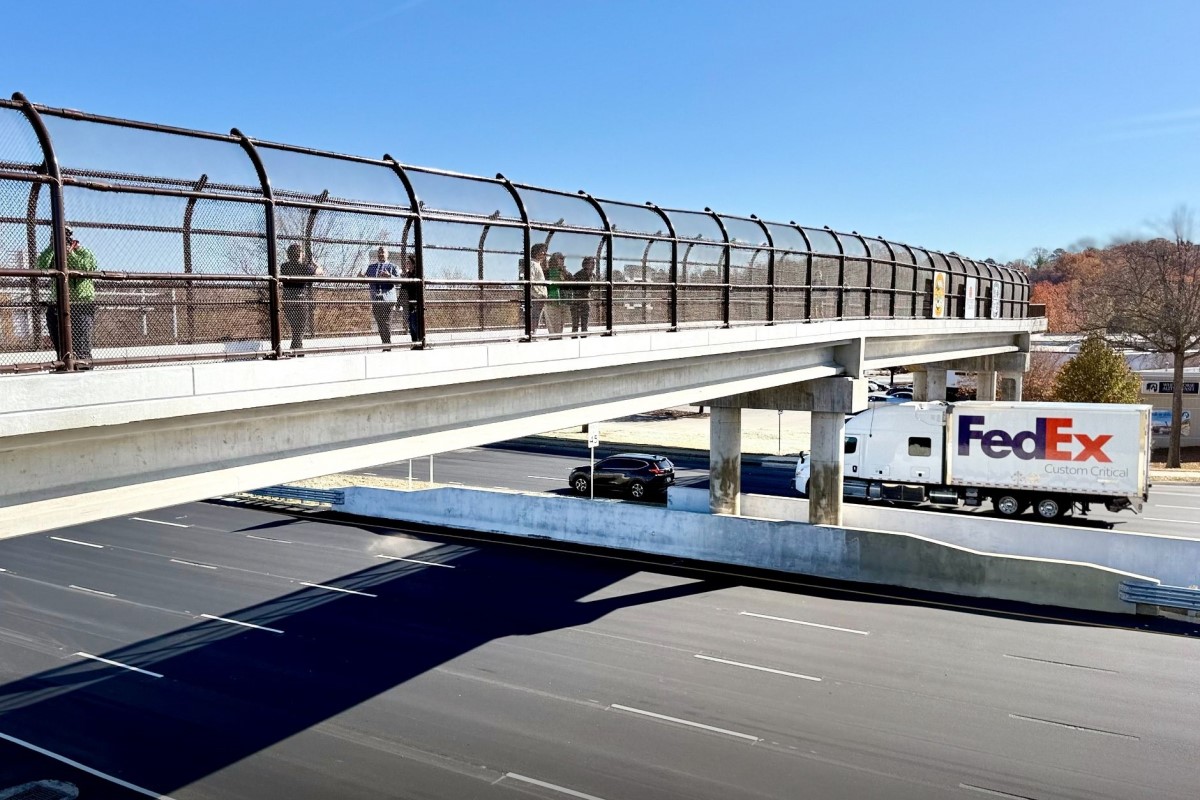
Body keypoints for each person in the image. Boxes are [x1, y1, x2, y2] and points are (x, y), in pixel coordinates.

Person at [37, 226, 99, 367]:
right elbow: (40, 266)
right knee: (60, 342)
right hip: (57, 303)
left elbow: (87, 267)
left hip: (81, 303)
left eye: (66, 235)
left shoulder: (84, 252)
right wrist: (52, 248)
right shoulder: (53, 253)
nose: (63, 238)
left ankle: (84, 368)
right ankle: (63, 365)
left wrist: (70, 252)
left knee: (81, 344)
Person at [280, 243, 323, 351]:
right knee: (299, 330)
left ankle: (298, 351)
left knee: (296, 329)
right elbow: (320, 272)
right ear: (299, 254)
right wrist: (314, 263)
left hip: (287, 301)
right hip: (300, 301)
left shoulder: (284, 266)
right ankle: (296, 352)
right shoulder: (303, 267)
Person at [360, 246, 398, 346]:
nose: (381, 254)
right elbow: (365, 279)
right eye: (379, 252)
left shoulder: (392, 267)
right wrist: (361, 277)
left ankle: (387, 344)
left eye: (383, 252)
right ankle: (384, 343)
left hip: (388, 299)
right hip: (376, 299)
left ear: (387, 254)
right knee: (380, 323)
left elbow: (399, 281)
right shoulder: (371, 267)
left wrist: (389, 276)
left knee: (386, 322)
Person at [569, 256, 598, 337]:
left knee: (585, 323)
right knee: (575, 324)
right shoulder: (579, 274)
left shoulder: (593, 275)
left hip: (586, 301)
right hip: (577, 301)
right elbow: (573, 287)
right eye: (591, 263)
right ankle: (574, 340)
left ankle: (584, 339)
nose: (593, 265)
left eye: (593, 263)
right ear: (585, 264)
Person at [400, 254, 423, 347]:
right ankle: (414, 343)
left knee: (414, 324)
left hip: (416, 303)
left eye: (409, 262)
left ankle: (419, 343)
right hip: (408, 303)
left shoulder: (417, 274)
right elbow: (403, 289)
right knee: (411, 326)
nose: (407, 264)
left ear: (414, 263)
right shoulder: (408, 275)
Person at [526, 242, 549, 336]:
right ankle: (531, 335)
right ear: (536, 252)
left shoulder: (537, 264)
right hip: (536, 297)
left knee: (536, 318)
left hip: (539, 297)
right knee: (534, 318)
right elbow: (530, 281)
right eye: (542, 251)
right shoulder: (532, 264)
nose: (544, 253)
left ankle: (533, 334)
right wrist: (538, 295)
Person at [544, 251, 567, 339]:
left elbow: (570, 281)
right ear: (554, 260)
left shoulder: (563, 272)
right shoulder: (547, 272)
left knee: (560, 325)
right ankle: (554, 340)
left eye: (563, 259)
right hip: (551, 301)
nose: (562, 260)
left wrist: (564, 271)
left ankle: (558, 339)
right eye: (560, 258)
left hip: (562, 301)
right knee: (553, 326)